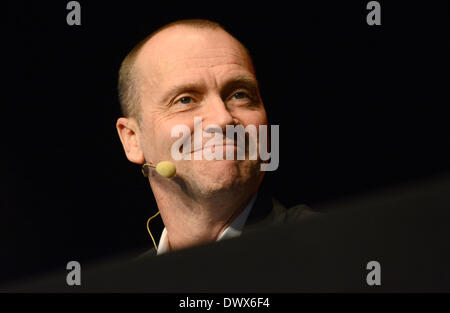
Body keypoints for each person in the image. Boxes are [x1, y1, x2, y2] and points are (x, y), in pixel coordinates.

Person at [116, 19, 314, 256]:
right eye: (186, 100)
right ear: (132, 139)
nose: (222, 119)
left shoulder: (336, 249)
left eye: (239, 95)